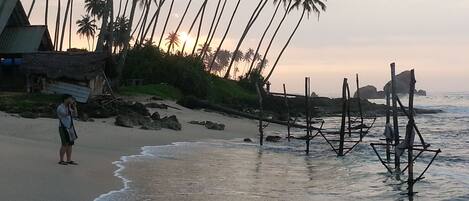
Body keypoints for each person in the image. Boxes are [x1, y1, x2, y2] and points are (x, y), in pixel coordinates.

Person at [57, 94, 79, 165]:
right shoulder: (60, 107)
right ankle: (61, 160)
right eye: (70, 98)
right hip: (63, 127)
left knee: (70, 144)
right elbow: (66, 114)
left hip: (70, 127)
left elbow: (75, 115)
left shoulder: (68, 107)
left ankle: (69, 160)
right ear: (65, 99)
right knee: (64, 144)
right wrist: (70, 106)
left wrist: (74, 106)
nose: (71, 100)